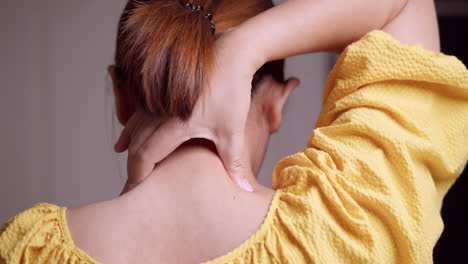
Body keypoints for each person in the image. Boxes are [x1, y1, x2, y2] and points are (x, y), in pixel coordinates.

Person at [1, 0, 467, 263]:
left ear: (121, 96)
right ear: (275, 103)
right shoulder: (348, 223)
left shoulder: (28, 248)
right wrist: (244, 48)